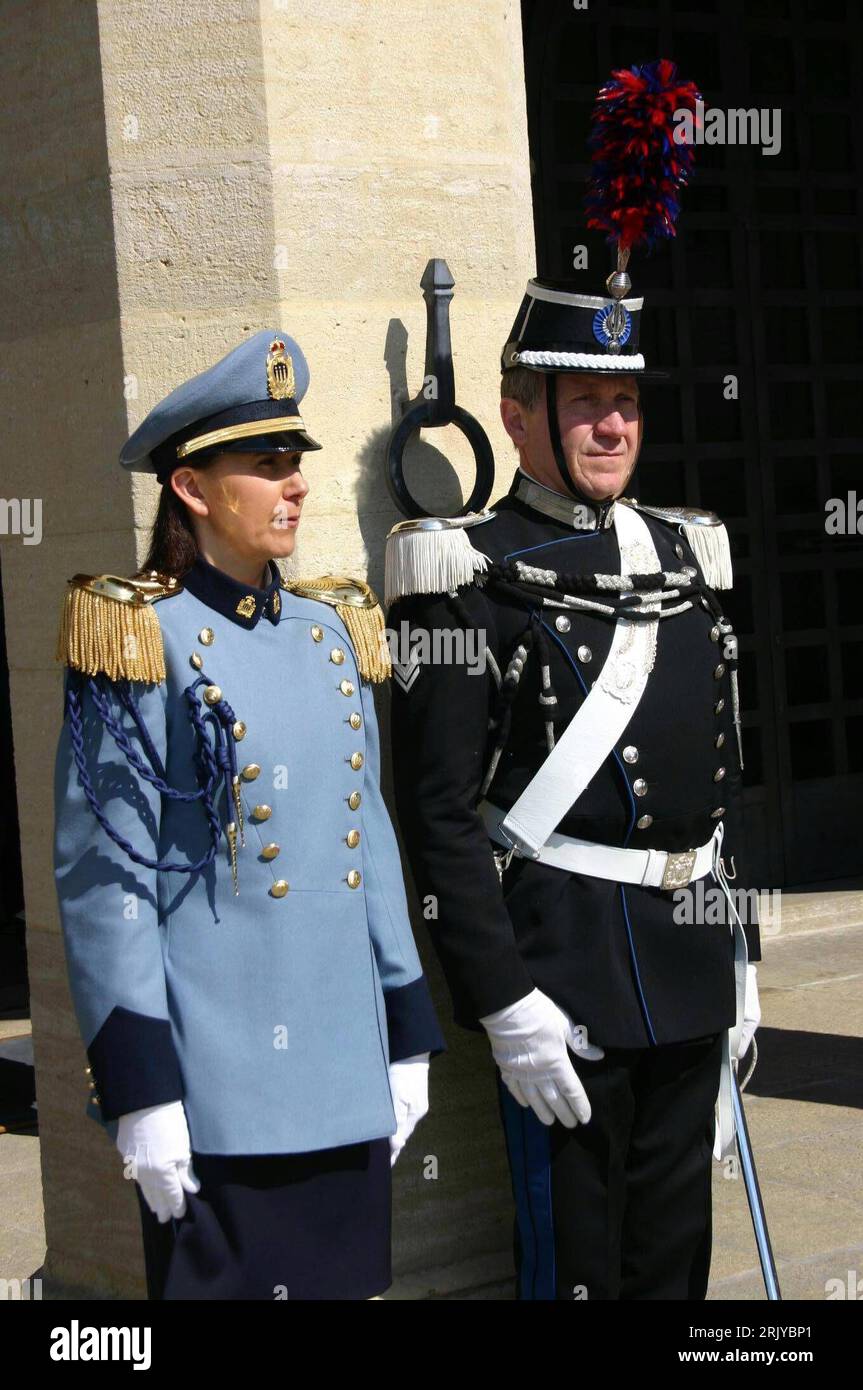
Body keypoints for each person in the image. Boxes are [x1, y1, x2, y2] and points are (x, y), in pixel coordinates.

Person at [385, 261, 763, 1298]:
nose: (610, 426)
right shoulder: (460, 576)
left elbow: (720, 788)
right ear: (515, 417)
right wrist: (503, 1001)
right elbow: (438, 818)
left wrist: (739, 967)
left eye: (624, 403)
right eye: (584, 402)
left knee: (672, 1264)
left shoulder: (686, 554)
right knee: (579, 1272)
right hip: (562, 980)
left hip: (686, 968)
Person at [53, 329, 445, 1301]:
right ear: (191, 488)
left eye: (295, 463)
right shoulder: (139, 636)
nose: (294, 485)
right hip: (218, 1094)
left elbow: (369, 840)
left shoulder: (328, 629)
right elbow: (108, 882)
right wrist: (140, 1087)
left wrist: (405, 1029)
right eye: (265, 466)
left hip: (343, 1077)